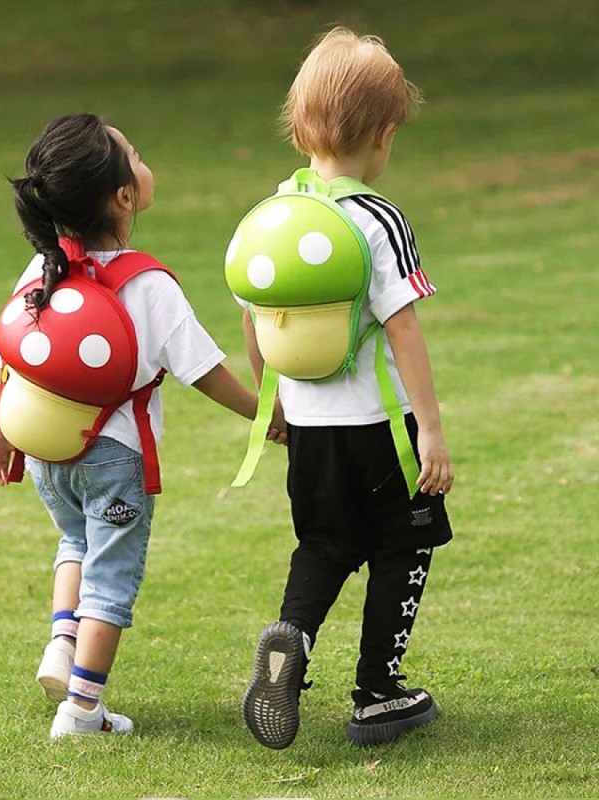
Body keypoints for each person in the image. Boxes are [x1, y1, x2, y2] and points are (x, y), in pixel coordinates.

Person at [0, 114, 285, 738]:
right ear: (124, 197)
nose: (147, 166)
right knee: (112, 580)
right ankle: (83, 710)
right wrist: (267, 412)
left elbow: (8, 359)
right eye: (138, 158)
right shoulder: (148, 284)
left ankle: (62, 646)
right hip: (114, 460)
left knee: (75, 546)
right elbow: (205, 371)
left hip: (46, 455)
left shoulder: (41, 272)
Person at [239, 27, 455, 749]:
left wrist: (269, 398)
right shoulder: (376, 218)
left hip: (307, 428)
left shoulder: (274, 212)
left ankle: (291, 637)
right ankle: (377, 693)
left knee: (324, 545)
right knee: (404, 547)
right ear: (386, 133)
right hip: (379, 430)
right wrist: (430, 426)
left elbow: (255, 318)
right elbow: (404, 332)